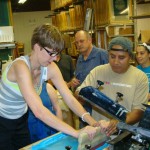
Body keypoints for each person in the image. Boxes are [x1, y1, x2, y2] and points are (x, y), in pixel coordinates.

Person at [0, 24, 107, 150]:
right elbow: (39, 111)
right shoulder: (20, 66)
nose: (55, 59)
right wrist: (76, 132)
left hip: (21, 119)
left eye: (57, 54)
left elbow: (69, 98)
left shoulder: (49, 67)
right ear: (37, 46)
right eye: (51, 53)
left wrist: (93, 123)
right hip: (2, 121)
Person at [75, 36, 149, 135]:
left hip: (126, 135)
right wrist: (85, 95)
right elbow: (78, 94)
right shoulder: (97, 72)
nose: (116, 61)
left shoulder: (140, 77)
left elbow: (138, 112)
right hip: (100, 133)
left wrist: (118, 123)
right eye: (112, 56)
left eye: (121, 57)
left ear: (130, 57)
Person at [69, 30, 108, 127]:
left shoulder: (102, 55)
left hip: (99, 107)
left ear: (90, 40)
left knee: (100, 133)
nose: (79, 44)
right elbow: (78, 76)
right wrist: (74, 80)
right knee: (86, 135)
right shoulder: (80, 59)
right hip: (83, 105)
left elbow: (110, 79)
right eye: (77, 43)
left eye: (81, 41)